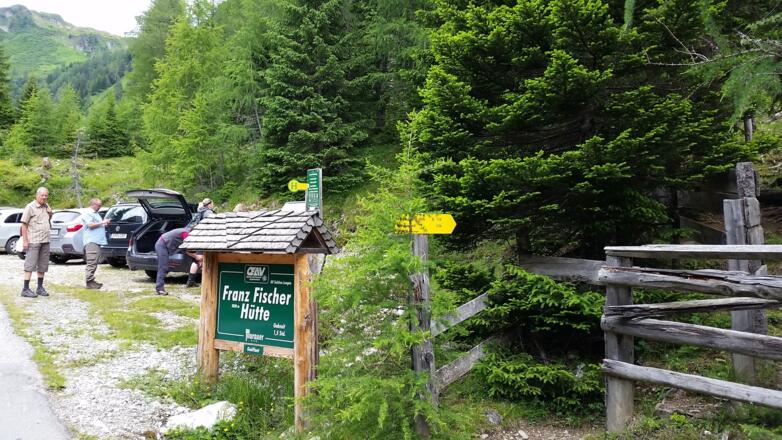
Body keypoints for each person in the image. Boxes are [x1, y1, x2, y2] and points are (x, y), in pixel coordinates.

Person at [20, 187, 53, 298]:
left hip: (45, 240)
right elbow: (24, 225)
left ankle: (40, 287)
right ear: (37, 195)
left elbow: (48, 220)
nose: (44, 197)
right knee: (30, 265)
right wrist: (25, 241)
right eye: (42, 195)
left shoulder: (47, 206)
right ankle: (25, 289)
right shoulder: (30, 207)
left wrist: (50, 213)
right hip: (34, 240)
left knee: (43, 265)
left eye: (46, 195)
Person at [185, 198, 215, 288]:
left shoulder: (199, 212)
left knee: (196, 260)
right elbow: (212, 225)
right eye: (212, 203)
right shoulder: (208, 213)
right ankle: (207, 281)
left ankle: (190, 281)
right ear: (209, 204)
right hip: (206, 238)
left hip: (198, 237)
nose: (213, 205)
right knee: (205, 258)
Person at [81, 198, 110, 289]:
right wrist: (103, 222)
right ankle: (89, 282)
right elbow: (90, 225)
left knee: (94, 261)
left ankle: (92, 280)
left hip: (96, 241)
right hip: (91, 241)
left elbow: (97, 225)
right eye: (99, 205)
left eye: (100, 205)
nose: (100, 207)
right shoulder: (88, 213)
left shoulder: (95, 214)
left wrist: (104, 224)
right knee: (91, 262)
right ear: (93, 204)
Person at [155, 227, 190, 295]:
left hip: (167, 245)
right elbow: (187, 248)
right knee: (163, 267)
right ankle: (159, 289)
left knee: (166, 266)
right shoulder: (186, 233)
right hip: (161, 245)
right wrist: (197, 256)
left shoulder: (185, 230)